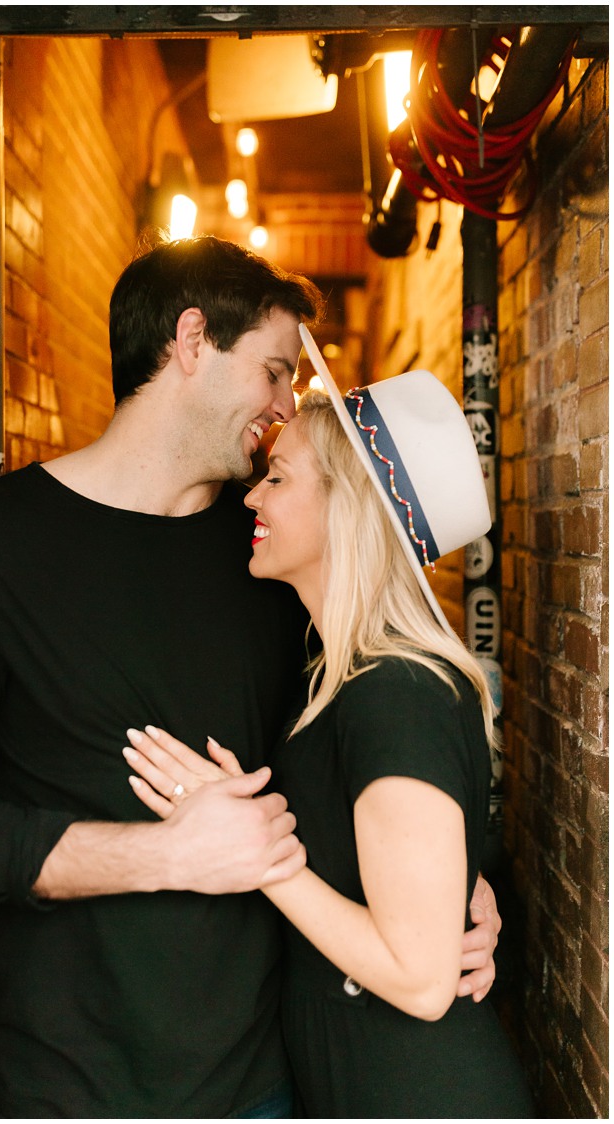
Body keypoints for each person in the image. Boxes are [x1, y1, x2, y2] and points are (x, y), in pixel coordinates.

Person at [0, 236, 501, 1118]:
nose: (287, 406)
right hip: (63, 1090)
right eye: (278, 371)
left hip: (266, 1087)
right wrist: (164, 855)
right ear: (193, 339)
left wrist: (455, 894)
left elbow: (374, 762)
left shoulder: (276, 563)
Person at [123, 334, 532, 1116]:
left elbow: (417, 979)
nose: (252, 496)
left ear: (350, 507)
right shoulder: (335, 674)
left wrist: (259, 852)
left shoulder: (398, 690)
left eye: (278, 477)